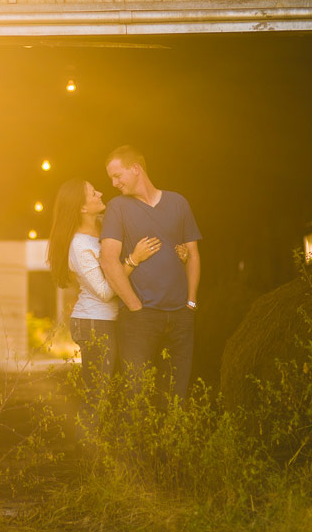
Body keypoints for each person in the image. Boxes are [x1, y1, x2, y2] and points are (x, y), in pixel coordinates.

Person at [47, 178, 188, 425]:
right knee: (97, 395)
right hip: (94, 322)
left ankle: (105, 452)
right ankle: (85, 458)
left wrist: (178, 255)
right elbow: (104, 290)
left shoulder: (103, 228)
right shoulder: (79, 245)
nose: (100, 192)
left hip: (112, 319)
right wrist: (133, 260)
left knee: (116, 393)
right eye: (92, 193)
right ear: (81, 207)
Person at [100, 145, 201, 399]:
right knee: (136, 394)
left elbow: (193, 254)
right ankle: (135, 441)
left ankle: (173, 440)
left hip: (180, 316)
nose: (113, 183)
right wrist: (134, 306)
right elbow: (108, 260)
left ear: (136, 169)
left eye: (117, 175)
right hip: (140, 318)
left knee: (176, 393)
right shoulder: (117, 207)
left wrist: (191, 301)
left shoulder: (178, 202)